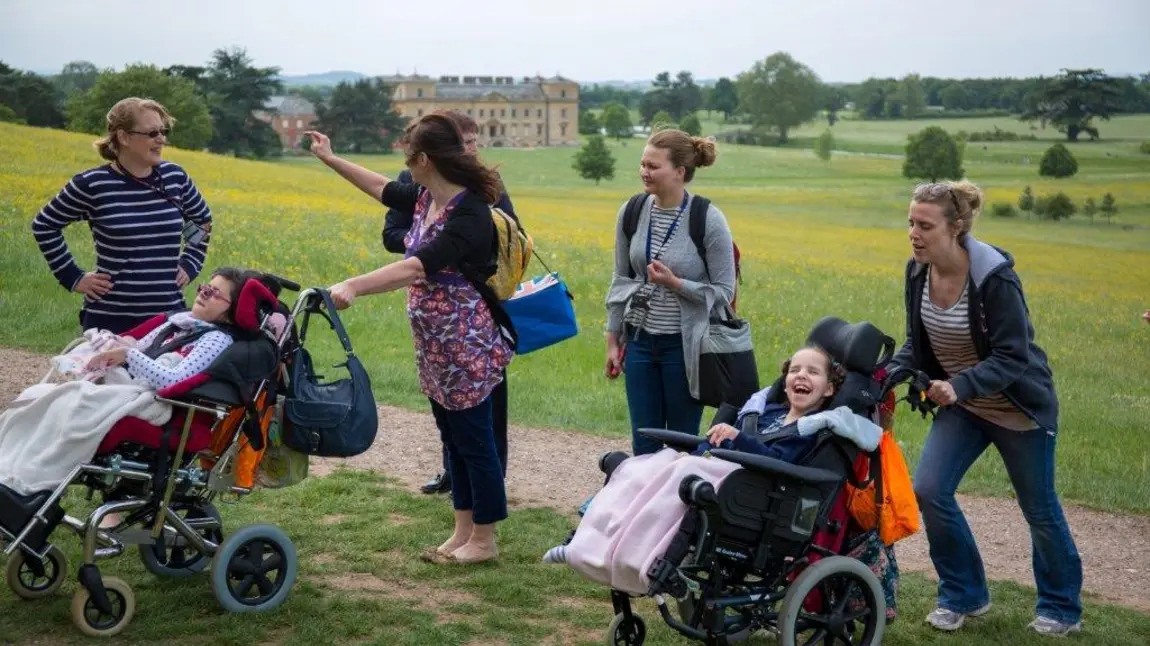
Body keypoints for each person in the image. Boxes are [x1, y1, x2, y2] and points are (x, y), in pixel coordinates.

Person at [305, 112, 510, 565]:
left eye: (408, 155)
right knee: (452, 436)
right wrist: (330, 159)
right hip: (435, 343)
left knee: (476, 440)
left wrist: (355, 285)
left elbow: (418, 266)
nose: (404, 163)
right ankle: (462, 531)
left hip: (466, 344)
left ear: (425, 159)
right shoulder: (425, 196)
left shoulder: (471, 212)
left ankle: (485, 538)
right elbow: (380, 188)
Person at [890, 181, 1082, 636]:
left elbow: (1014, 356)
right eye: (911, 224)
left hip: (1018, 409)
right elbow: (916, 344)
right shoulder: (917, 271)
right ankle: (964, 594)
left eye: (925, 225)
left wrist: (958, 386)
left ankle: (1060, 607)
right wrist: (883, 374)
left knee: (1038, 508)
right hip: (967, 406)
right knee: (930, 490)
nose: (914, 234)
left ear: (955, 228)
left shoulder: (995, 278)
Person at [544, 344, 872, 564]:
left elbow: (779, 464)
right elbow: (718, 444)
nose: (801, 375)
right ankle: (583, 542)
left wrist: (737, 439)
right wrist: (704, 447)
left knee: (674, 472)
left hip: (758, 490)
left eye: (812, 372)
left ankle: (613, 549)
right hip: (724, 472)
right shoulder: (766, 414)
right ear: (785, 383)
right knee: (641, 466)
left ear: (829, 389)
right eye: (795, 370)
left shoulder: (812, 430)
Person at [0, 267, 251, 498]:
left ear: (230, 313)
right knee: (37, 394)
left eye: (214, 293)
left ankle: (28, 483)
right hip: (131, 386)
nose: (204, 293)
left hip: (157, 402)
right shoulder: (178, 322)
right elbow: (139, 348)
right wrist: (113, 345)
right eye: (204, 288)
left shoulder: (216, 339)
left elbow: (175, 380)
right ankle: (8, 470)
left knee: (74, 404)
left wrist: (128, 355)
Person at [382, 111, 515, 497]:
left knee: (479, 429)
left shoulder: (479, 196)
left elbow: (504, 230)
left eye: (474, 142)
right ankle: (457, 487)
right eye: (465, 142)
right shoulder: (422, 191)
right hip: (434, 333)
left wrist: (442, 243)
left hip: (471, 324)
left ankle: (487, 496)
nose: (472, 150)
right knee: (453, 424)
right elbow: (391, 226)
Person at [31, 97, 213, 335]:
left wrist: (190, 262)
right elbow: (44, 225)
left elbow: (202, 221)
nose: (161, 139)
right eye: (151, 133)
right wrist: (73, 277)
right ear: (124, 137)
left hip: (166, 317)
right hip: (109, 320)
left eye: (163, 131)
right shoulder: (92, 184)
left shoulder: (174, 177)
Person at [604, 129, 736, 456]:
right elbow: (621, 279)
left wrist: (676, 284)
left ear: (680, 172)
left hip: (686, 346)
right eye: (643, 164)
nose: (644, 172)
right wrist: (612, 339)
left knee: (681, 443)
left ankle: (680, 506)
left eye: (653, 166)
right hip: (639, 343)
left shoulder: (708, 218)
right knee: (644, 442)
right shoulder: (632, 211)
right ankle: (645, 507)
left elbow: (724, 291)